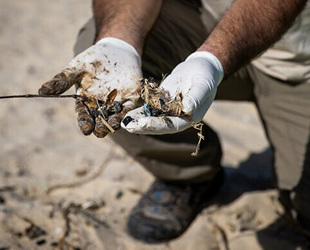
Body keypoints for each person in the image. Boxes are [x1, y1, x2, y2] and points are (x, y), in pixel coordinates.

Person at [39, 0, 310, 244]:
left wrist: (212, 58)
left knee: (305, 207)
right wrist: (118, 42)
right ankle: (189, 174)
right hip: (210, 23)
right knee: (100, 59)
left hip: (299, 64)